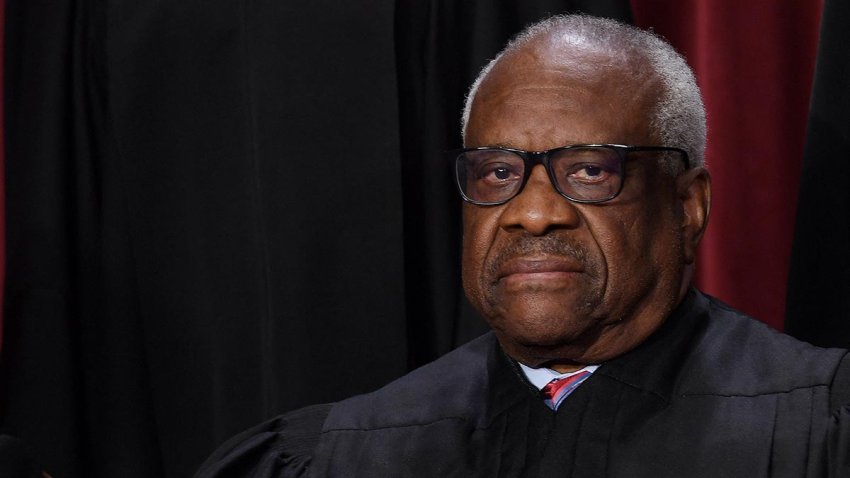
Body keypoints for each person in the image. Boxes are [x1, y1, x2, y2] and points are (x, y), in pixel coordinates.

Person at [196, 14, 850, 477]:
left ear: (688, 207)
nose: (532, 214)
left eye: (591, 170)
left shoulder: (818, 431)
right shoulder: (345, 454)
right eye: (498, 173)